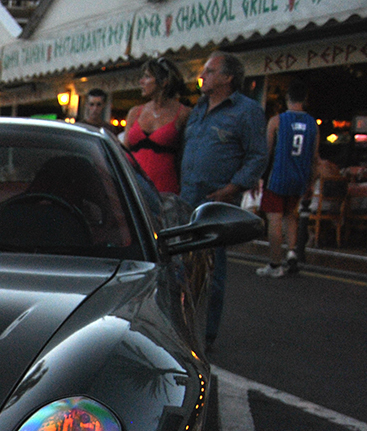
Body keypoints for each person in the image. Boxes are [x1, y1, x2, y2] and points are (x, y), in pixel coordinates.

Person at [180, 51, 268, 345]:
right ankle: (182, 326)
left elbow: (257, 156)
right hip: (187, 198)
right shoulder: (199, 108)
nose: (202, 76)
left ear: (228, 77)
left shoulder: (247, 111)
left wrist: (232, 188)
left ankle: (206, 333)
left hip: (215, 201)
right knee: (182, 267)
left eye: (209, 71)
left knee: (211, 269)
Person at [256, 79, 318, 277]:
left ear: (287, 97)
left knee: (274, 219)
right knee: (291, 215)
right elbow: (314, 158)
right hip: (299, 178)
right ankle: (291, 253)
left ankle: (275, 264)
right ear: (305, 99)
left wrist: (258, 176)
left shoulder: (277, 121)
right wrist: (311, 182)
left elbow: (266, 152)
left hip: (278, 177)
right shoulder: (313, 125)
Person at [124, 58, 192, 194]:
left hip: (165, 187)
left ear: (164, 82)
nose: (141, 82)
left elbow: (189, 155)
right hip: (134, 186)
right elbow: (124, 150)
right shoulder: (135, 112)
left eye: (147, 77)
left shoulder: (183, 113)